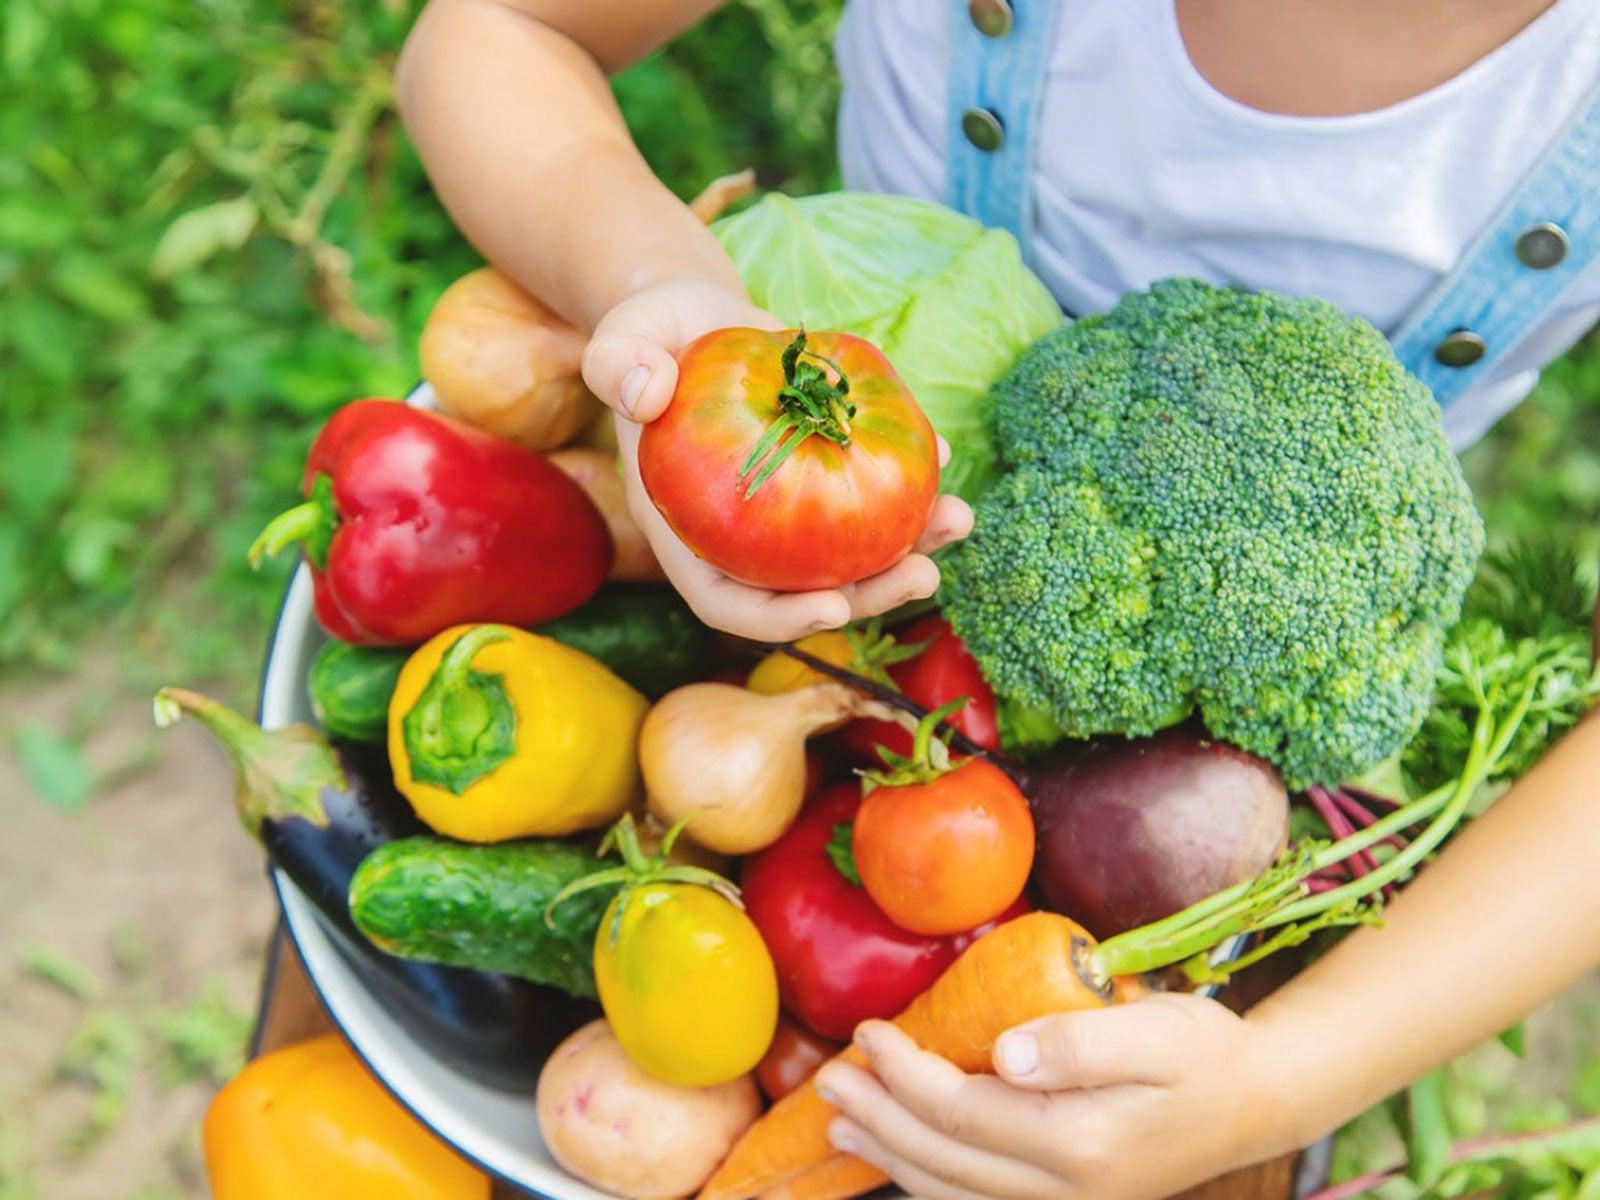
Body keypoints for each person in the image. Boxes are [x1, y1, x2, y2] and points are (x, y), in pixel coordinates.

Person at [395, 3, 1600, 1196]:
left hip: (1191, 812)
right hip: (812, 481)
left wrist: (1281, 1085)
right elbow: (500, 28)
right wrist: (665, 310)